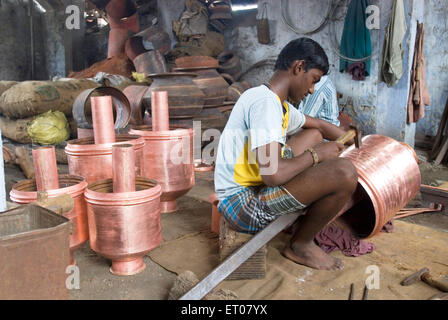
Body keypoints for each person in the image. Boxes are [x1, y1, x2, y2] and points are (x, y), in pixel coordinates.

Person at [214, 38, 358, 271]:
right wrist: (316, 156)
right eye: (313, 80)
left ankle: (301, 232)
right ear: (298, 67)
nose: (311, 90)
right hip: (242, 204)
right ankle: (300, 245)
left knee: (312, 135)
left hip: (253, 186)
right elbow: (272, 175)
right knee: (345, 172)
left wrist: (346, 133)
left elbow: (319, 126)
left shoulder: (275, 102)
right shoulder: (265, 104)